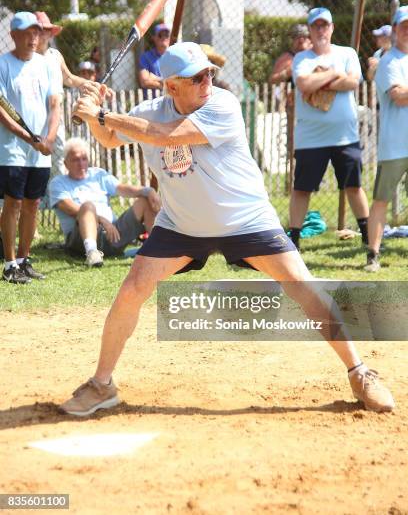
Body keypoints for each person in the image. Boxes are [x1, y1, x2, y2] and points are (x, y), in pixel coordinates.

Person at [59, 42, 394, 416]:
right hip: (182, 224)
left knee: (303, 286)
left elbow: (166, 135)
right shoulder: (148, 111)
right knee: (133, 288)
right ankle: (101, 384)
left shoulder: (223, 105)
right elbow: (111, 137)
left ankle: (360, 372)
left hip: (246, 219)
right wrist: (92, 117)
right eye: (197, 77)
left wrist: (105, 114)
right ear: (171, 87)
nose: (207, 81)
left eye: (209, 74)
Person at [288, 7, 370, 251]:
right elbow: (303, 83)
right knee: (302, 189)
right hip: (310, 139)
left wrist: (320, 80)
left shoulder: (347, 53)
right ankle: (293, 240)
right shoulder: (302, 59)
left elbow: (353, 81)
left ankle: (368, 237)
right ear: (310, 30)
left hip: (345, 136)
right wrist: (335, 73)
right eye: (316, 26)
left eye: (325, 25)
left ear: (332, 28)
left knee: (354, 186)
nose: (321, 30)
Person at [0, 12, 61, 284]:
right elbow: (2, 112)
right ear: (13, 35)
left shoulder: (47, 64)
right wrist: (29, 139)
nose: (33, 37)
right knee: (13, 203)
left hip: (40, 149)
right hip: (12, 148)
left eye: (36, 32)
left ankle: (24, 260)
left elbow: (55, 105)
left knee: (33, 205)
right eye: (27, 32)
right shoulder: (2, 64)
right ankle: (10, 263)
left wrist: (49, 138)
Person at [49, 137, 161, 267]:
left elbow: (123, 189)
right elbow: (72, 210)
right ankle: (92, 253)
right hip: (79, 240)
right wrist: (102, 220)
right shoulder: (58, 183)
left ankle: (158, 250)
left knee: (145, 201)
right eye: (75, 160)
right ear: (65, 163)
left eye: (84, 159)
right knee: (87, 206)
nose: (81, 164)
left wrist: (148, 191)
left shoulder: (98, 174)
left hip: (113, 234)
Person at [365, 6, 408, 272]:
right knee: (381, 199)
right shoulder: (388, 62)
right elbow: (398, 96)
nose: (407, 31)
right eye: (403, 25)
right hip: (394, 145)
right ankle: (373, 255)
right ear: (394, 30)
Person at [35, 11, 102, 178]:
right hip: (35, 114)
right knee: (35, 157)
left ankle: (54, 199)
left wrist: (89, 84)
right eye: (40, 30)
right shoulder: (27, 58)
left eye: (47, 30)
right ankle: (37, 200)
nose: (45, 34)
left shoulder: (55, 56)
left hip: (55, 116)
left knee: (57, 154)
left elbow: (69, 78)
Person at [138, 22, 170, 98]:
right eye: (160, 35)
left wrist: (155, 78)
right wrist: (167, 85)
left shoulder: (175, 55)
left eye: (166, 35)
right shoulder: (146, 57)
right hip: (153, 100)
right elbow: (144, 82)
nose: (164, 38)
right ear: (154, 38)